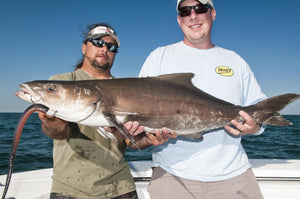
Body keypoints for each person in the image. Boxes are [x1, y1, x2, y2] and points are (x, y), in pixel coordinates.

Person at [139, 0, 266, 198]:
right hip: (172, 175)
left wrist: (255, 128)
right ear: (179, 20)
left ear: (212, 13)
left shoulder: (235, 61)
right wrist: (148, 136)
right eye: (185, 11)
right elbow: (141, 109)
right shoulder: (159, 57)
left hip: (234, 173)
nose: (193, 15)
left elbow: (260, 110)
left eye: (199, 8)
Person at [37, 23, 168, 199]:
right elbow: (59, 133)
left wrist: (149, 139)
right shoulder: (61, 83)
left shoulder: (126, 90)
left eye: (111, 46)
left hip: (121, 187)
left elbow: (131, 142)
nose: (104, 48)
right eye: (97, 43)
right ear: (84, 48)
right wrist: (51, 123)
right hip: (70, 189)